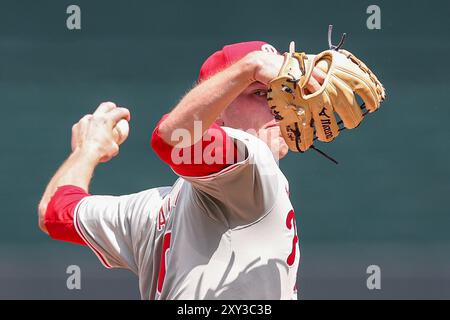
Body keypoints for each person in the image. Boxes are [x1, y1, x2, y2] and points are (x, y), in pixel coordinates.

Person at [38, 41, 327, 299]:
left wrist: (86, 152)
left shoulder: (150, 210)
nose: (279, 107)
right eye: (260, 92)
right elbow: (172, 140)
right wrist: (249, 66)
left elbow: (54, 212)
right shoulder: (254, 161)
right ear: (218, 110)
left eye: (285, 92)